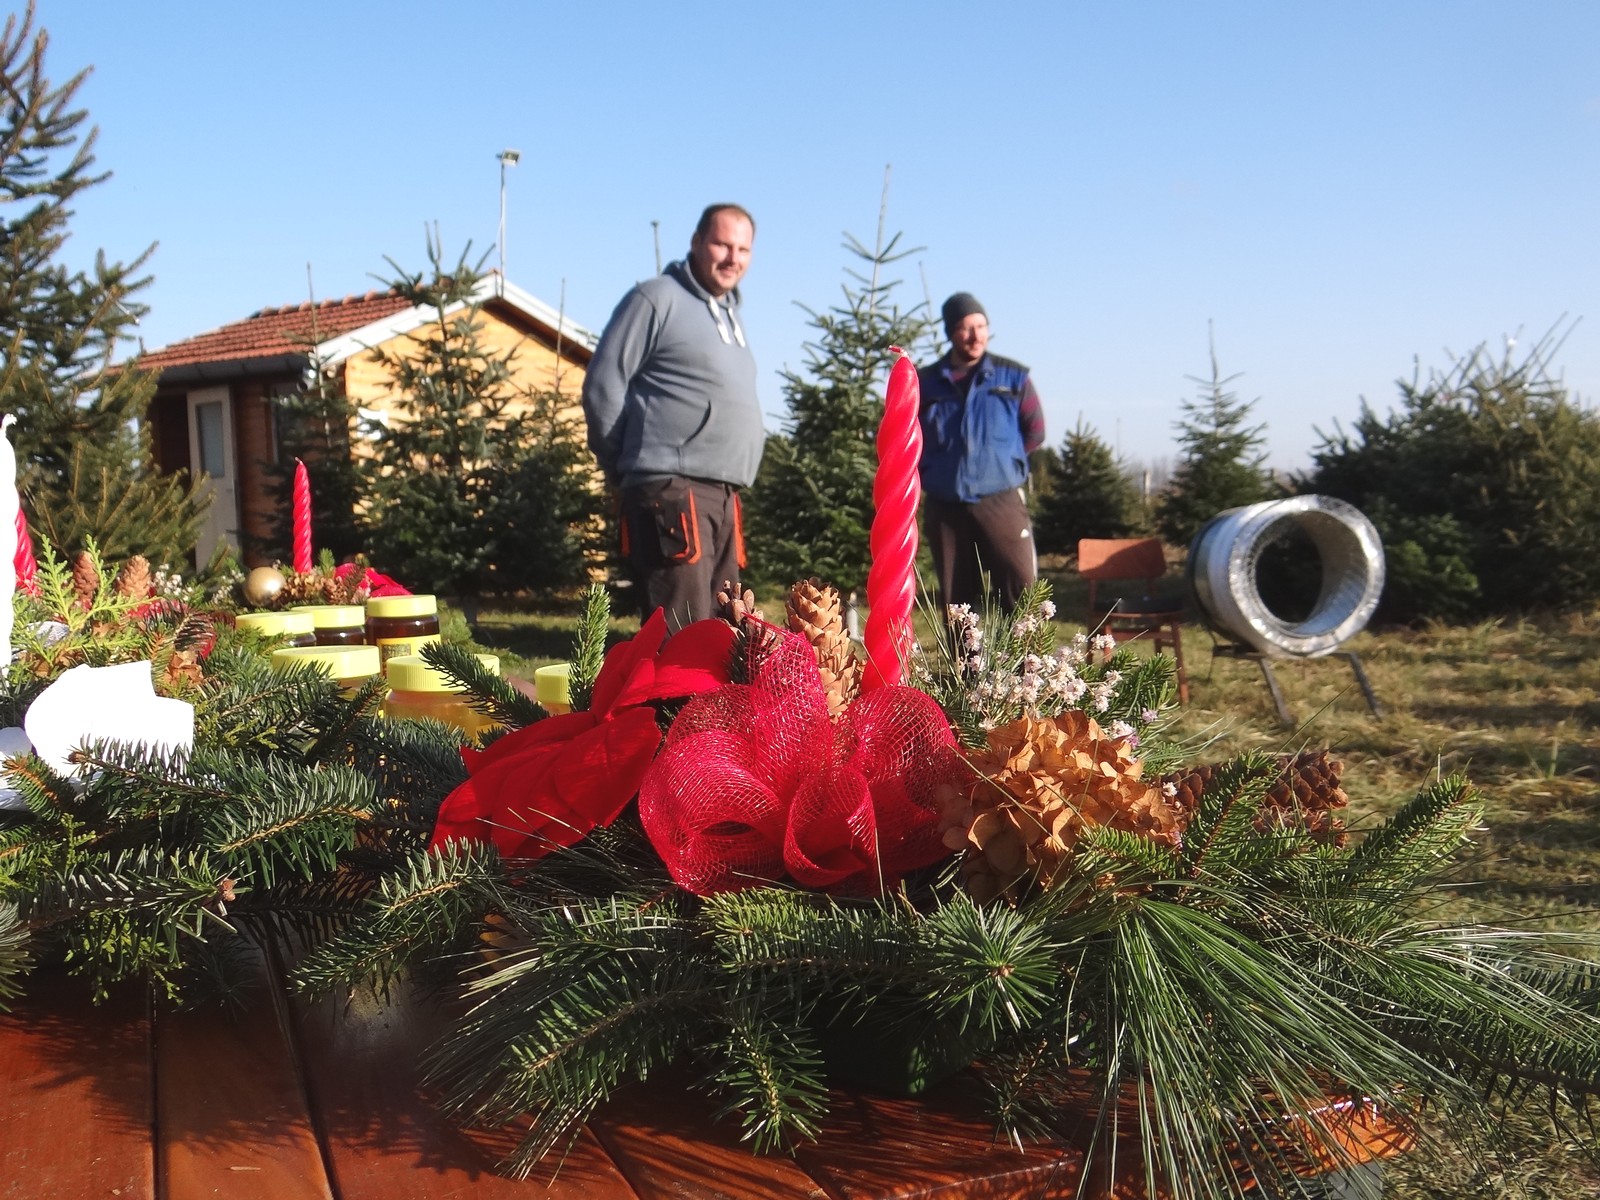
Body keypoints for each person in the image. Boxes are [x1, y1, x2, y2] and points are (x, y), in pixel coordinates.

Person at [581, 204, 764, 631]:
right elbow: (603, 387)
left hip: (721, 494)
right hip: (672, 491)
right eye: (721, 244)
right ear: (697, 242)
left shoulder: (730, 316)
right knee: (683, 635)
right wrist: (626, 464)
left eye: (743, 249)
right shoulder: (657, 297)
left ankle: (712, 704)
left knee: (725, 631)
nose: (732, 258)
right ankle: (670, 704)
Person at [917, 292, 1047, 611]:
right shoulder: (925, 383)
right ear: (950, 332)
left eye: (981, 326)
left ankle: (1025, 662)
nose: (975, 336)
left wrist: (1003, 462)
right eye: (965, 328)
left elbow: (1035, 431)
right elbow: (909, 441)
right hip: (946, 509)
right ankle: (965, 663)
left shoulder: (1013, 377)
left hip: (1000, 501)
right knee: (957, 604)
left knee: (1022, 591)